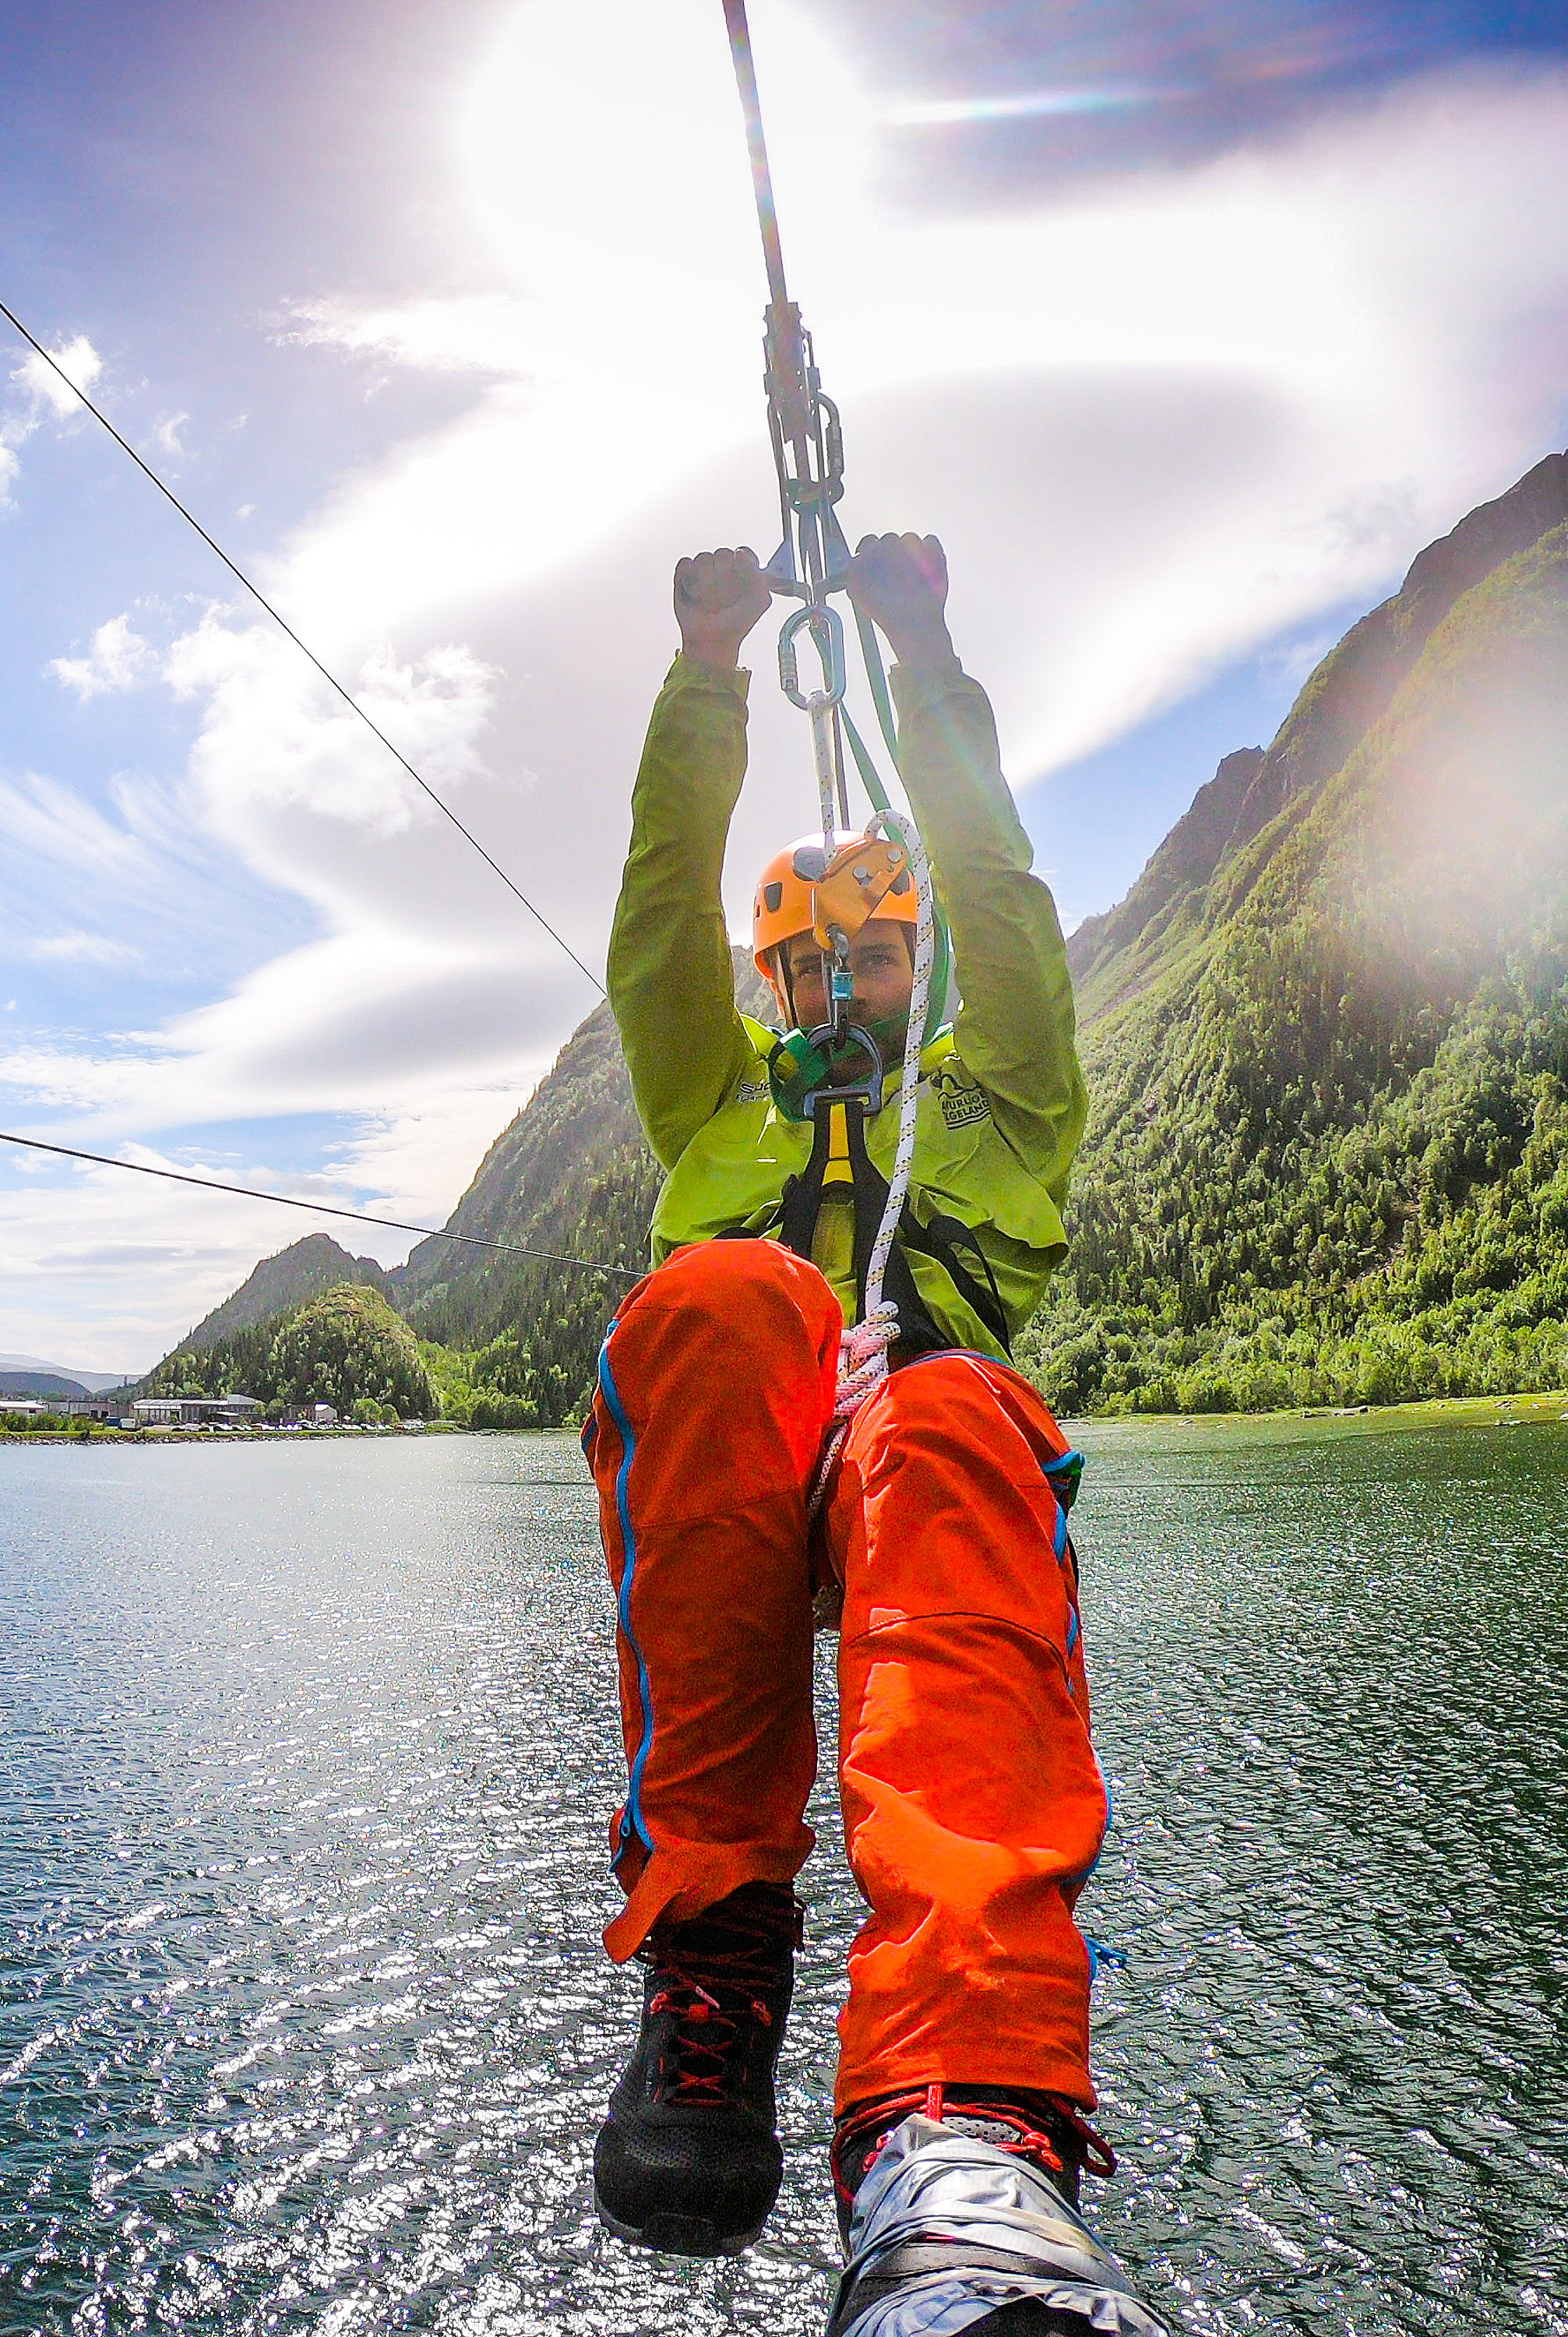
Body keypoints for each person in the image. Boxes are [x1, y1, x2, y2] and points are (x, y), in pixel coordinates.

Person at [587, 534, 1165, 2335]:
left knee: (944, 1402)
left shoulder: (1003, 1096)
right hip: (745, 1487)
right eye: (809, 964)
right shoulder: (712, 1110)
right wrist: (706, 671)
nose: (839, 988)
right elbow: (656, 914)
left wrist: (919, 649)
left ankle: (963, 2116)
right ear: (774, 984)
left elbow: (996, 876)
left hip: (925, 1487)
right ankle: (720, 1953)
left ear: (919, 964)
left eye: (874, 955)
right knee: (711, 1307)